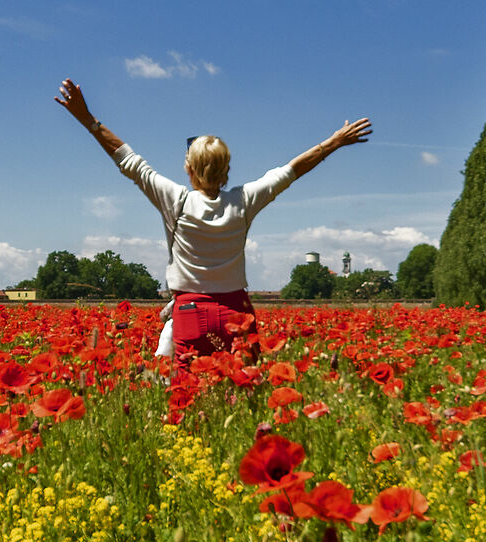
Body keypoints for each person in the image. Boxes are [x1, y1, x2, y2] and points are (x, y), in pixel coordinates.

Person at [55, 78, 371, 358]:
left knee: (189, 397)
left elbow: (129, 161)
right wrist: (335, 141)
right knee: (244, 392)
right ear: (227, 169)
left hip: (191, 312)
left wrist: (88, 119)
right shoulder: (245, 200)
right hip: (238, 312)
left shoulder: (175, 201)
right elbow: (292, 170)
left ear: (188, 168)